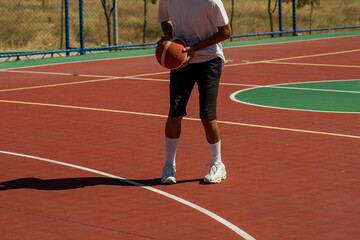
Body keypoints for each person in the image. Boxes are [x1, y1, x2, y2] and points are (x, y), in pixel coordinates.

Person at [157, 0, 231, 184]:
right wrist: (169, 39)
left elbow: (226, 32)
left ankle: (217, 164)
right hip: (182, 61)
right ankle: (169, 165)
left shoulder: (210, 2)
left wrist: (195, 47)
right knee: (175, 113)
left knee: (207, 116)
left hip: (209, 59)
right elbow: (164, 20)